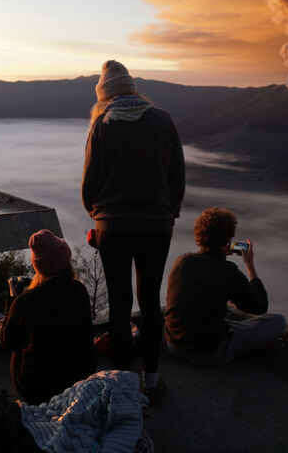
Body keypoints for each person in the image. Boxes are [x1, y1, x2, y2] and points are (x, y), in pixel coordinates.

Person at [81, 60, 185, 403]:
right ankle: (152, 380)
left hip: (113, 227)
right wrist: (169, 213)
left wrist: (100, 215)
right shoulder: (163, 120)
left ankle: (122, 387)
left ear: (105, 96)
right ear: (133, 89)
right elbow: (177, 178)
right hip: (156, 227)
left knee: (120, 304)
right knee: (150, 303)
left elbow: (89, 185)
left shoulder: (101, 125)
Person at [164, 208, 286, 366]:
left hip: (174, 346)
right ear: (228, 239)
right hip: (210, 353)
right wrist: (250, 266)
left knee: (224, 318)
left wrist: (219, 253)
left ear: (199, 235)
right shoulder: (227, 270)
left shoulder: (182, 261)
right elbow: (259, 307)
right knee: (277, 321)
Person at [0, 229, 95, 404]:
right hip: (80, 382)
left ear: (38, 267)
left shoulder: (25, 300)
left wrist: (12, 298)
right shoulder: (79, 289)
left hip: (37, 389)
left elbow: (8, 342)